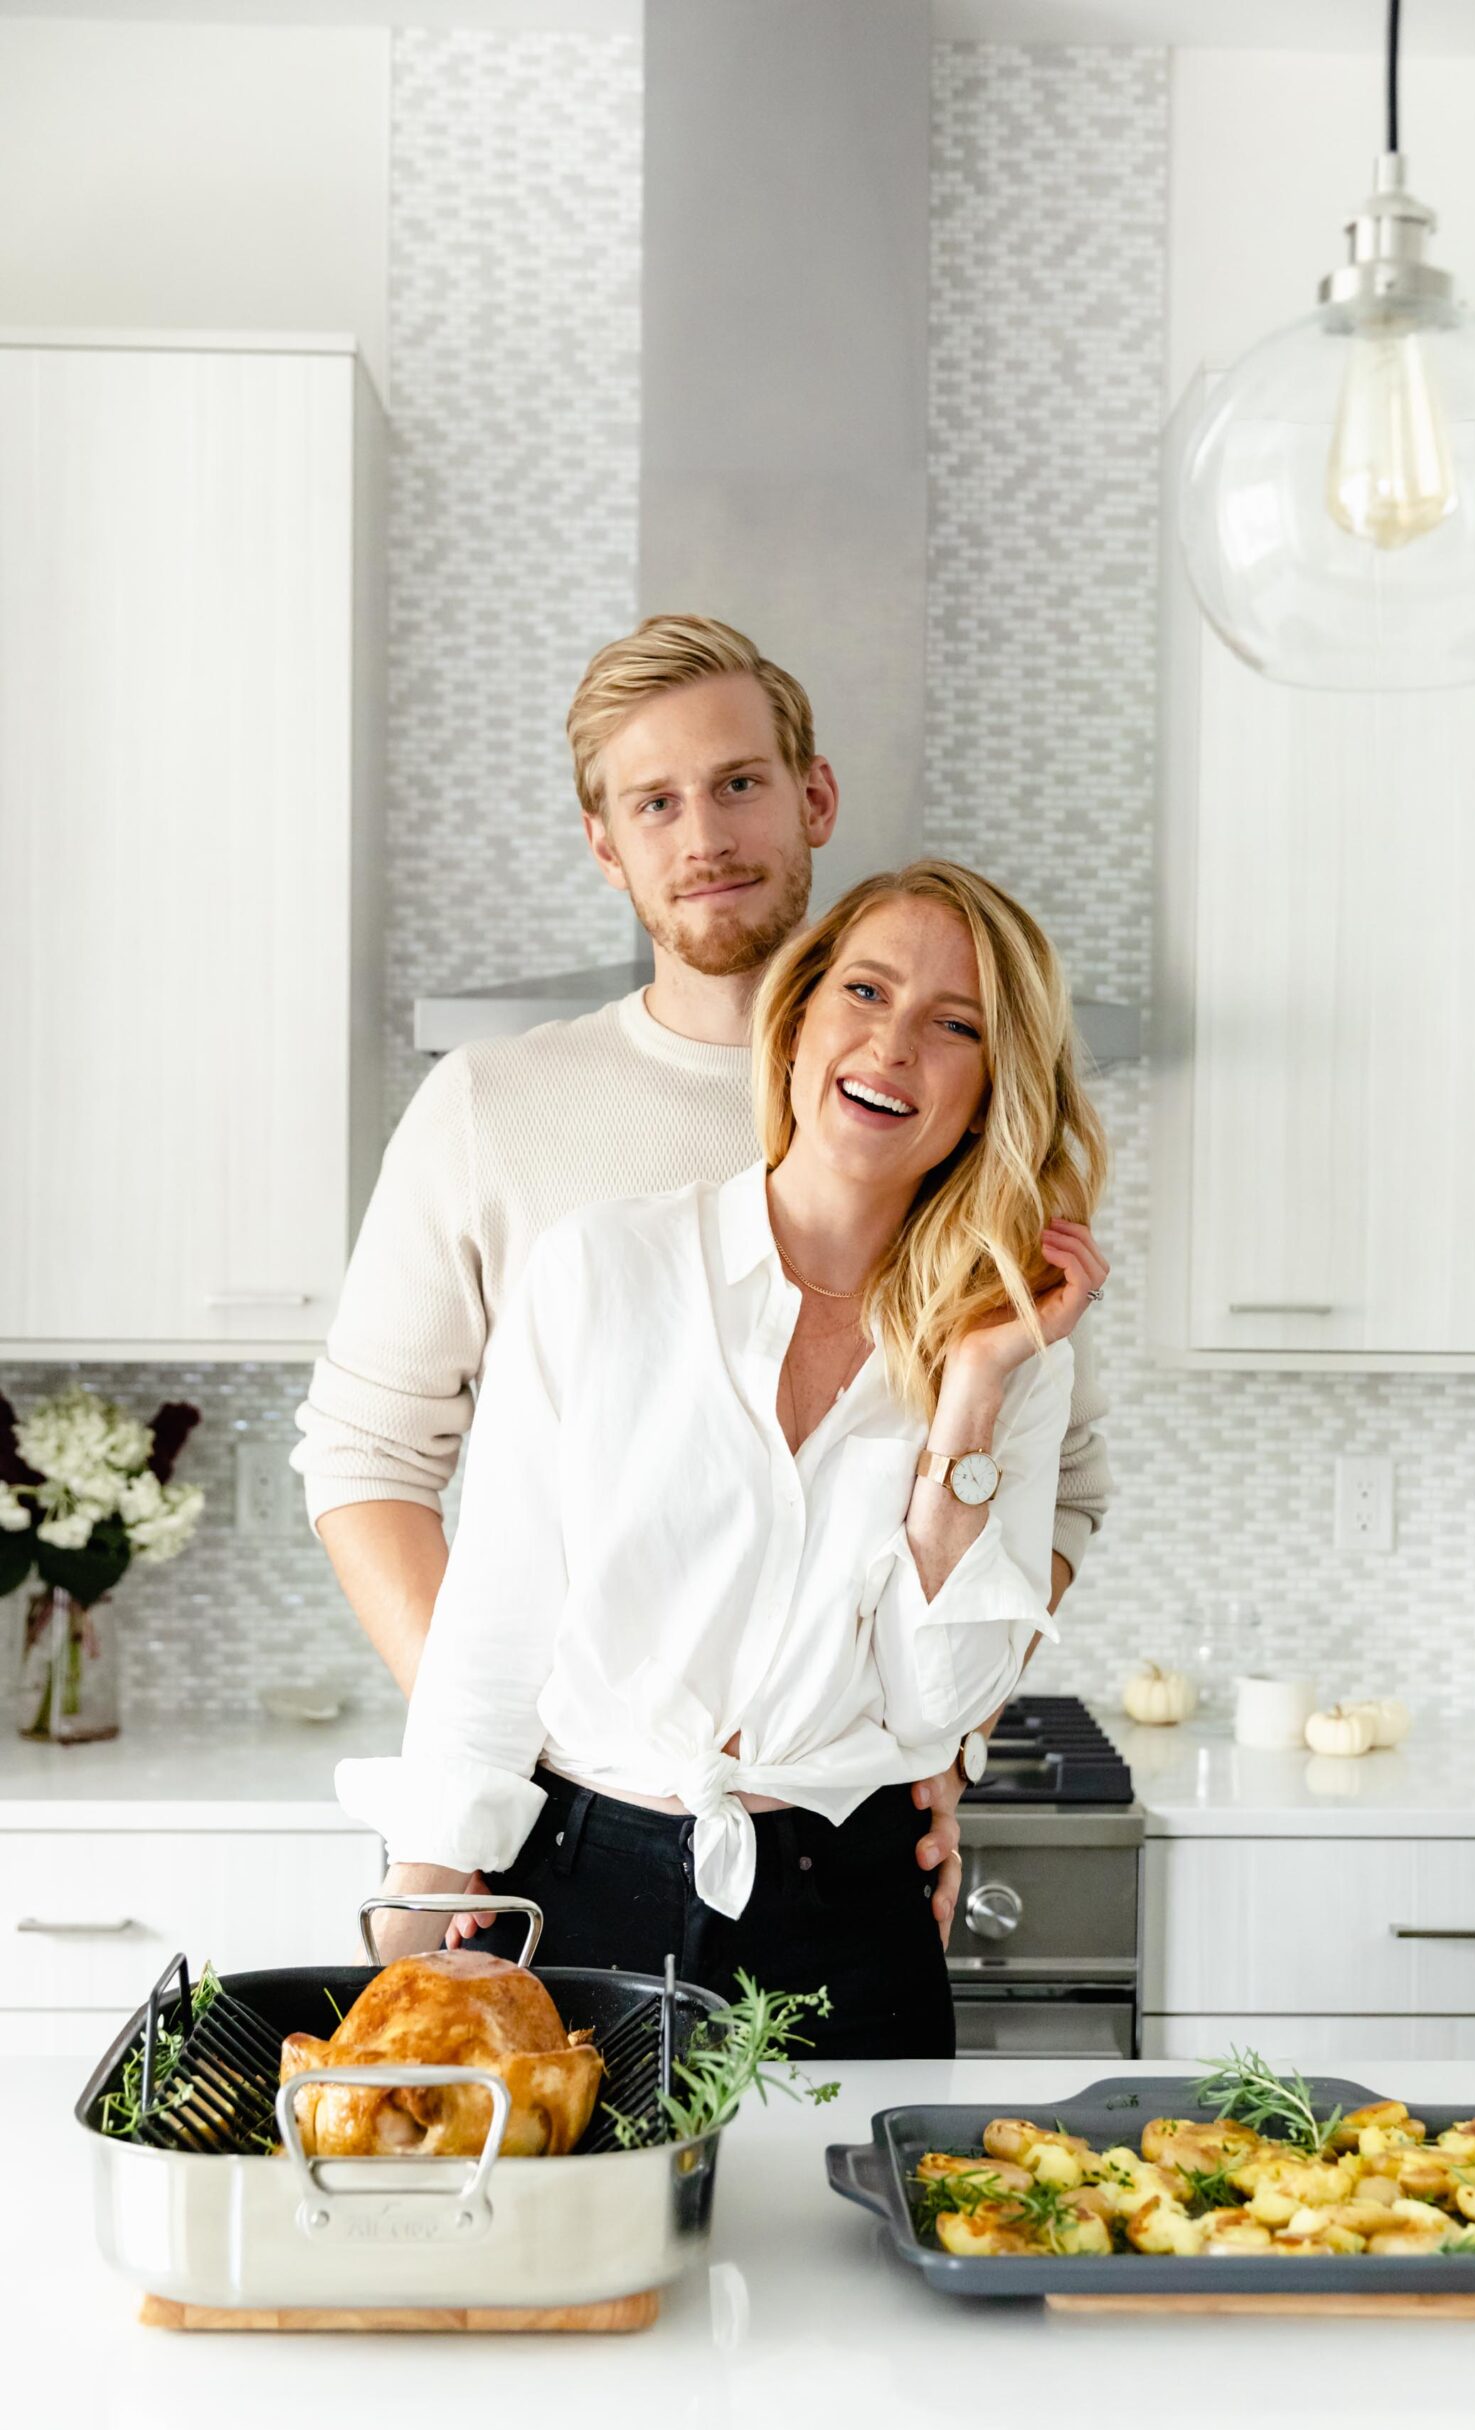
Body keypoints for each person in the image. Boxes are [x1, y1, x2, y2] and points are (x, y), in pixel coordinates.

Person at [293, 616, 1113, 1943]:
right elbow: (369, 1459)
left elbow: (1051, 1491)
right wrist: (513, 1783)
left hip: (833, 1835)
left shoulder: (943, 1163)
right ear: (605, 842)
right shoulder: (496, 1112)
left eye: (739, 783)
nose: (705, 835)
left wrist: (905, 1731)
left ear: (814, 796)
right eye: (654, 802)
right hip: (576, 1811)